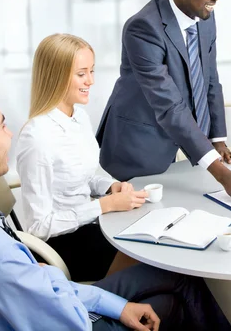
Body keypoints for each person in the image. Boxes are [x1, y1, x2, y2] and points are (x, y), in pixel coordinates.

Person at [0, 78, 231, 331]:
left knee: (173, 275)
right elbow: (71, 321)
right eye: (2, 126)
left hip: (41, 302)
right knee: (174, 300)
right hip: (68, 319)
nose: (10, 135)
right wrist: (48, 278)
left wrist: (115, 304)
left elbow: (36, 291)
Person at [96, 0, 231, 204]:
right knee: (138, 227)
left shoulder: (204, 16)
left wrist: (217, 139)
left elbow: (209, 78)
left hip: (176, 144)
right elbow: (169, 106)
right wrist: (223, 175)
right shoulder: (143, 28)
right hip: (138, 145)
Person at [16, 34, 145, 282]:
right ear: (57, 75)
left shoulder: (79, 117)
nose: (91, 81)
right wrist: (104, 205)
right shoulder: (38, 137)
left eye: (92, 71)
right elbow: (37, 228)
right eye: (82, 73)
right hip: (61, 243)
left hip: (91, 223)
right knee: (147, 255)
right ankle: (106, 308)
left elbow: (85, 175)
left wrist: (110, 186)